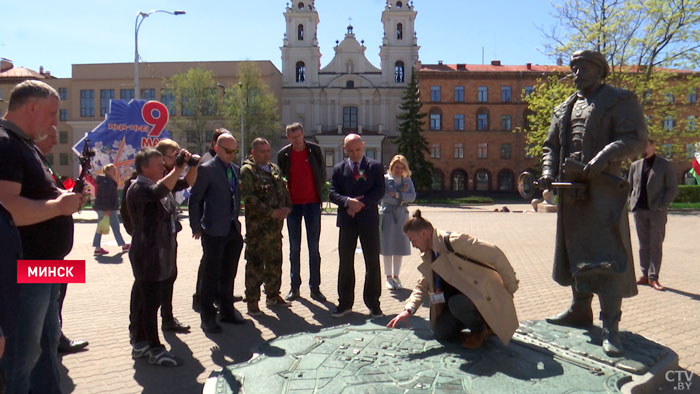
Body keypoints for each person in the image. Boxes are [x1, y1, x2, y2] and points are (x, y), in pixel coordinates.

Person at [540, 50, 647, 357]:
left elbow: (636, 138)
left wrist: (603, 157)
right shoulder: (564, 108)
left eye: (584, 67)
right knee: (576, 251)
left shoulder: (620, 99)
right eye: (574, 68)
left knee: (606, 255)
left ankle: (610, 325)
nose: (578, 73)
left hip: (603, 193)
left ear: (601, 70)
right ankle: (579, 310)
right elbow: (551, 147)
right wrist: (548, 172)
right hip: (572, 195)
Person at [0, 80, 87, 393]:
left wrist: (66, 199)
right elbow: (7, 208)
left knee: (47, 343)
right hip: (24, 269)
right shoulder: (6, 143)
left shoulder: (24, 145)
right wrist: (58, 205)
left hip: (47, 266)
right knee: (22, 357)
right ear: (31, 107)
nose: (55, 122)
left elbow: (37, 195)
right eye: (52, 113)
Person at [387, 210, 519, 349]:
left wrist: (511, 286)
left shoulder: (454, 241)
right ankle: (475, 322)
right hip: (457, 301)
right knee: (441, 332)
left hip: (479, 295)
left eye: (413, 240)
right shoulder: (429, 255)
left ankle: (481, 329)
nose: (413, 245)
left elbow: (495, 254)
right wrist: (408, 310)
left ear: (424, 233)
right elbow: (422, 285)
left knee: (457, 303)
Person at [126, 148, 190, 367]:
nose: (163, 166)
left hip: (160, 252)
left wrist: (192, 165)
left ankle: (142, 342)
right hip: (147, 254)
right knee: (150, 303)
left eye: (164, 163)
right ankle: (154, 348)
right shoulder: (139, 187)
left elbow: (182, 184)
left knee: (149, 301)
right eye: (158, 164)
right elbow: (157, 192)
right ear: (144, 167)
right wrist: (179, 167)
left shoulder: (157, 186)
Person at [33, 125, 89, 355]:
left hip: (57, 252)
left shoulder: (42, 162)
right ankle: (50, 341)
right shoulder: (29, 161)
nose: (55, 142)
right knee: (47, 302)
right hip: (40, 254)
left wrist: (73, 198)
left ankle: (57, 337)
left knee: (58, 297)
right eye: (52, 136)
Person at [189, 134, 246, 333]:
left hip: (232, 228)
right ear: (216, 147)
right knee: (211, 275)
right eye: (227, 150)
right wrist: (196, 226)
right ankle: (207, 317)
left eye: (234, 151)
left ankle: (227, 310)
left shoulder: (235, 170)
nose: (231, 155)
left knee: (229, 273)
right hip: (213, 229)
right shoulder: (206, 170)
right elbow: (195, 200)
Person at [329, 133, 385, 318]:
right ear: (344, 149)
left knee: (372, 262)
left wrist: (360, 205)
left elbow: (379, 191)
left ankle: (373, 304)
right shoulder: (338, 169)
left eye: (358, 149)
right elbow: (332, 192)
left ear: (363, 145)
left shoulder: (375, 166)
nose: (354, 154)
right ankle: (345, 303)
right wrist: (347, 202)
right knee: (345, 262)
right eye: (350, 150)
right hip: (347, 221)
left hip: (368, 220)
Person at [240, 138, 291, 316]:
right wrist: (270, 212)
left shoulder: (274, 168)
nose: (266, 154)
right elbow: (249, 198)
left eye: (268, 151)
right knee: (255, 266)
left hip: (275, 229)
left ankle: (273, 294)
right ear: (253, 152)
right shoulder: (248, 171)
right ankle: (252, 302)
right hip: (257, 229)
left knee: (275, 263)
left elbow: (283, 190)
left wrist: (287, 207)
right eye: (262, 151)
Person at [277, 122, 327, 302]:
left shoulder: (314, 151)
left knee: (314, 248)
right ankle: (294, 287)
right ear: (288, 137)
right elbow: (280, 180)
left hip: (312, 205)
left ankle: (315, 288)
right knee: (294, 249)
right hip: (293, 207)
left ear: (303, 134)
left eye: (299, 136)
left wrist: (317, 191)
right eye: (293, 137)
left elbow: (321, 174)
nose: (297, 140)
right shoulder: (283, 154)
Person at [628, 139, 678, 291]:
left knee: (655, 244)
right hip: (639, 210)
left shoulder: (664, 164)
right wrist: (631, 203)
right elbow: (630, 187)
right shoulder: (635, 166)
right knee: (643, 245)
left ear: (653, 146)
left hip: (656, 212)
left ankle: (653, 277)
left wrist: (662, 206)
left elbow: (672, 188)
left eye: (646, 145)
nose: (644, 148)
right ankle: (644, 275)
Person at [380, 155, 416, 290]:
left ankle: (396, 276)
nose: (399, 170)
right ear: (392, 167)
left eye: (402, 167)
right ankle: (388, 277)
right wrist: (401, 201)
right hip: (388, 215)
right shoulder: (385, 179)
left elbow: (412, 197)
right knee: (388, 247)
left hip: (402, 217)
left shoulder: (407, 181)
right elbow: (383, 197)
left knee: (400, 247)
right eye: (396, 167)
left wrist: (397, 196)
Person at [92, 164, 129, 255]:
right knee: (112, 227)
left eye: (115, 169)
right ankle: (123, 245)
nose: (115, 171)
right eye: (113, 170)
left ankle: (98, 247)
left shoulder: (106, 181)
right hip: (107, 209)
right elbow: (106, 196)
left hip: (105, 208)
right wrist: (107, 209)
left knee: (103, 227)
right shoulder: (106, 182)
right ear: (107, 171)